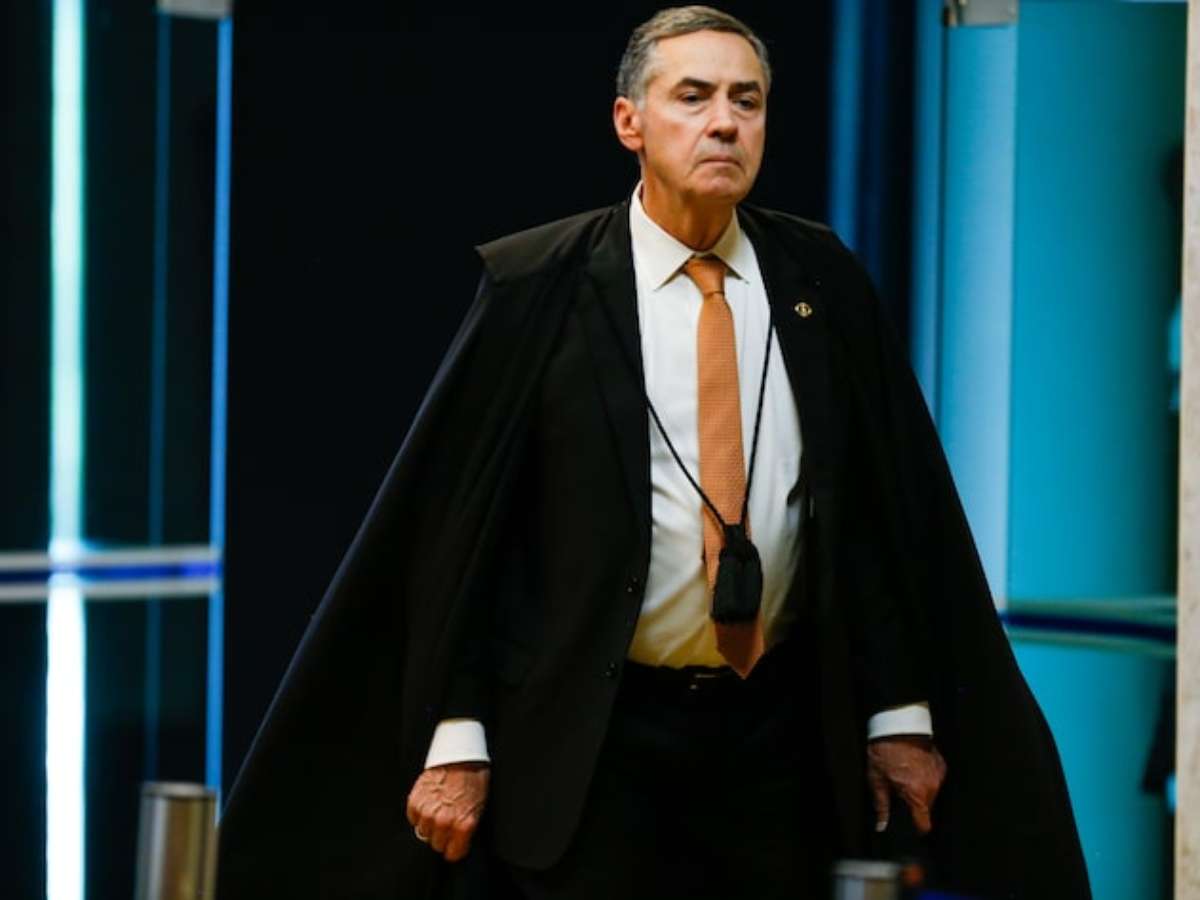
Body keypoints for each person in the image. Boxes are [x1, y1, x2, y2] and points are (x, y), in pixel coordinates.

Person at [217, 7, 1090, 900]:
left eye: (747, 101)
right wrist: (458, 736)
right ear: (629, 121)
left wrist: (898, 712)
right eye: (694, 97)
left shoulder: (820, 278)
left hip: (779, 739)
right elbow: (467, 536)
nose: (725, 123)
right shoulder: (540, 283)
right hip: (595, 740)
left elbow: (876, 512)